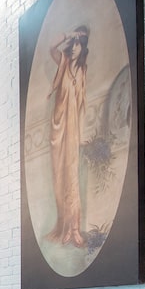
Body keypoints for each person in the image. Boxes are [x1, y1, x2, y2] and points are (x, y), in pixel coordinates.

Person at [46, 25, 90, 248]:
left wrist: (83, 133)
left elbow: (82, 106)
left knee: (72, 175)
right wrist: (69, 34)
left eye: (79, 44)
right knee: (59, 177)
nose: (74, 48)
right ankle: (64, 226)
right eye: (73, 44)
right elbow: (51, 46)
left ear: (84, 48)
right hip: (59, 129)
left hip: (73, 132)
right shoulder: (63, 63)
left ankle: (74, 228)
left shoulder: (82, 72)